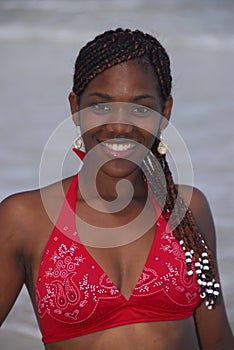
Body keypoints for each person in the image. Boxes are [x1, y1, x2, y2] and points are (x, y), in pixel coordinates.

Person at [0, 28, 233, 350]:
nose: (120, 125)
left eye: (140, 109)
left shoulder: (188, 209)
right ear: (75, 107)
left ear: (164, 112)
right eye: (101, 106)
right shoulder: (25, 218)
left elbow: (217, 338)